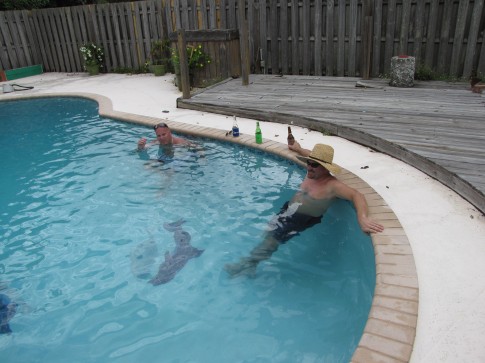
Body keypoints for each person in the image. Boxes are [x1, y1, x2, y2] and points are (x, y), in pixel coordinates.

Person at [224, 141, 384, 277]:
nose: (309, 167)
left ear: (325, 167)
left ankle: (245, 265)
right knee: (267, 233)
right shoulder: (311, 173)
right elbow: (309, 155)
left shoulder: (332, 186)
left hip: (301, 218)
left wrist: (362, 218)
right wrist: (297, 148)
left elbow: (356, 195)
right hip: (288, 209)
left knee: (271, 241)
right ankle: (252, 266)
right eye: (308, 162)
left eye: (314, 165)